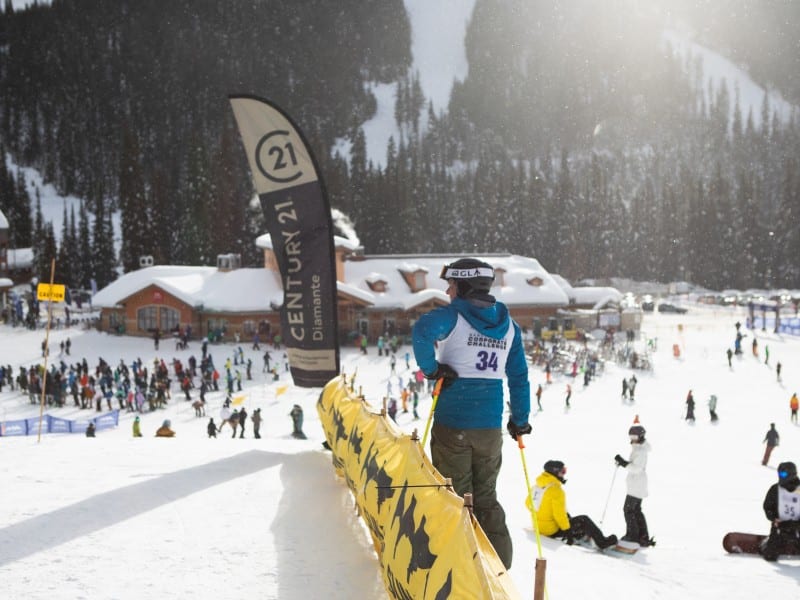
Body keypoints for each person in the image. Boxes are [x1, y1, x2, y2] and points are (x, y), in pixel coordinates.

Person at [412, 258, 531, 570]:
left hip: (454, 424)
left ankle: (459, 568)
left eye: (451, 285)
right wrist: (520, 419)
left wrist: (432, 369)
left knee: (456, 498)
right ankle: (498, 568)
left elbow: (422, 330)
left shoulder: (452, 315)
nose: (448, 291)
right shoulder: (509, 326)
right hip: (489, 429)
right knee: (486, 497)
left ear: (463, 285)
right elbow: (519, 375)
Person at [528, 460, 618, 550]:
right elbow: (559, 515)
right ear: (554, 472)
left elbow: (528, 503)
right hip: (551, 531)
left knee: (566, 514)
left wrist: (543, 515)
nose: (564, 474)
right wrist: (567, 532)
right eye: (562, 471)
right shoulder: (556, 491)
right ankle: (602, 543)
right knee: (584, 520)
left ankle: (580, 535)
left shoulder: (537, 486)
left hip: (538, 527)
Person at [614, 423, 654, 552]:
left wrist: (623, 463)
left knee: (629, 509)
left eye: (635, 435)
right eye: (631, 435)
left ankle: (633, 535)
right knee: (635, 510)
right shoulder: (638, 448)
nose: (632, 438)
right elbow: (634, 466)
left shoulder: (641, 451)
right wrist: (623, 463)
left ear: (641, 436)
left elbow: (636, 468)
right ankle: (642, 536)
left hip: (637, 484)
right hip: (636, 483)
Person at [761, 462, 800, 561]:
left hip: (798, 526)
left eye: (783, 474)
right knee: (770, 556)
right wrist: (773, 518)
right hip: (780, 526)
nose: (781, 476)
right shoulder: (775, 489)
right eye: (780, 474)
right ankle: (766, 543)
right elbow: (768, 507)